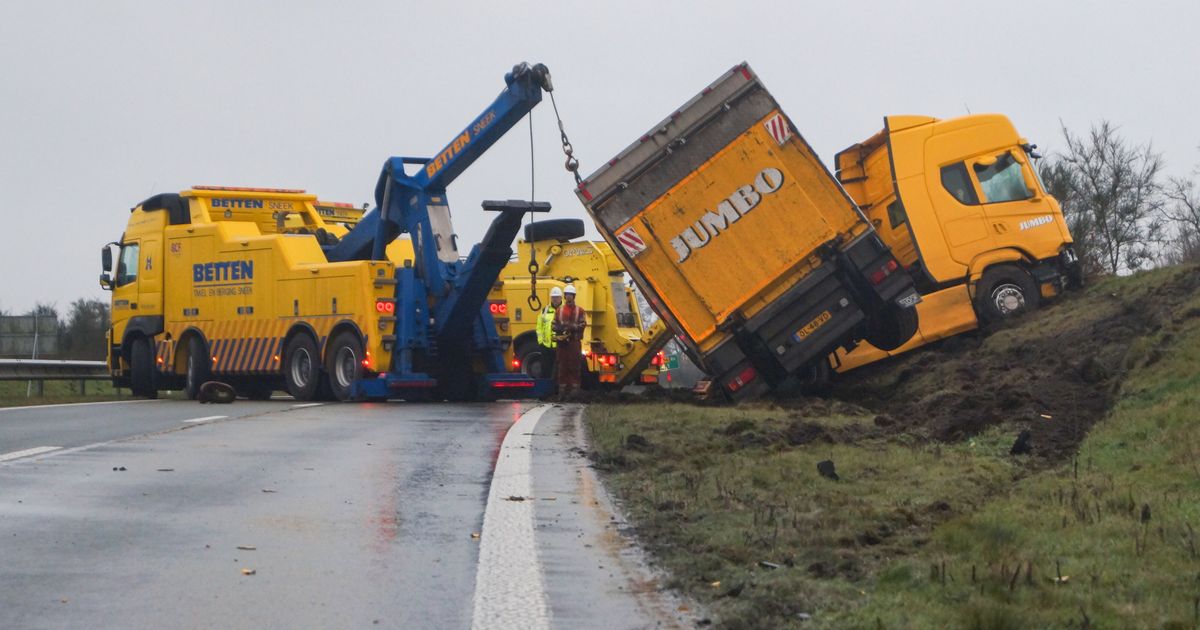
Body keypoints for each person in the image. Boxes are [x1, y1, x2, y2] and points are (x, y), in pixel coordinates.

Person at [553, 284, 587, 397]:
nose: (568, 297)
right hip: (562, 344)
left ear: (574, 296)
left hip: (574, 342)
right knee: (562, 366)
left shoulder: (580, 310)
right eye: (567, 295)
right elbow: (554, 325)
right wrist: (560, 330)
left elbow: (583, 324)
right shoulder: (559, 310)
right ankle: (562, 391)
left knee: (575, 366)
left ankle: (574, 391)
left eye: (570, 295)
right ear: (564, 296)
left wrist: (571, 327)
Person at [534, 287, 562, 379]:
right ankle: (545, 386)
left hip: (560, 346)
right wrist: (540, 342)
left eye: (557, 297)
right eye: (553, 297)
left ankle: (557, 386)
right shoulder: (545, 310)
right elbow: (539, 327)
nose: (555, 299)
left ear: (561, 298)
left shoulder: (564, 310)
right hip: (546, 346)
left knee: (560, 371)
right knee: (545, 369)